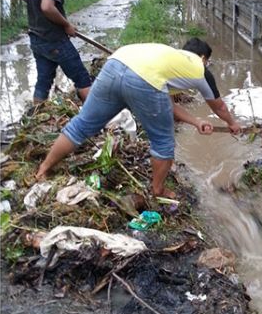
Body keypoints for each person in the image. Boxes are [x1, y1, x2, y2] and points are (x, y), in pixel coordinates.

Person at [34, 38, 242, 198]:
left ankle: (43, 169)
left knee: (81, 125)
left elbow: (166, 104)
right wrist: (232, 124)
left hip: (115, 64)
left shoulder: (169, 56)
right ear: (204, 57)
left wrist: (196, 122)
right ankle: (158, 190)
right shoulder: (200, 69)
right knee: (163, 141)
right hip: (142, 80)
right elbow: (219, 106)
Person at [19, 0, 91, 105]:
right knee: (81, 77)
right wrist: (66, 25)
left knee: (43, 82)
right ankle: (98, 120)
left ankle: (36, 119)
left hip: (37, 40)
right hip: (54, 40)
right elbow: (47, 7)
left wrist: (34, 4)